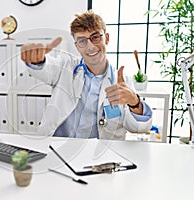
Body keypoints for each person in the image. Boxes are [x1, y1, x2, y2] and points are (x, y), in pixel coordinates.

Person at [20, 10, 152, 140]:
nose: (90, 47)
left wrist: (135, 103)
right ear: (77, 46)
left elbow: (139, 128)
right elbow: (46, 68)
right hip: (56, 147)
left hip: (97, 154)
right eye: (82, 41)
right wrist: (37, 61)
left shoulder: (122, 81)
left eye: (95, 37)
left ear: (106, 38)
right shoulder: (65, 67)